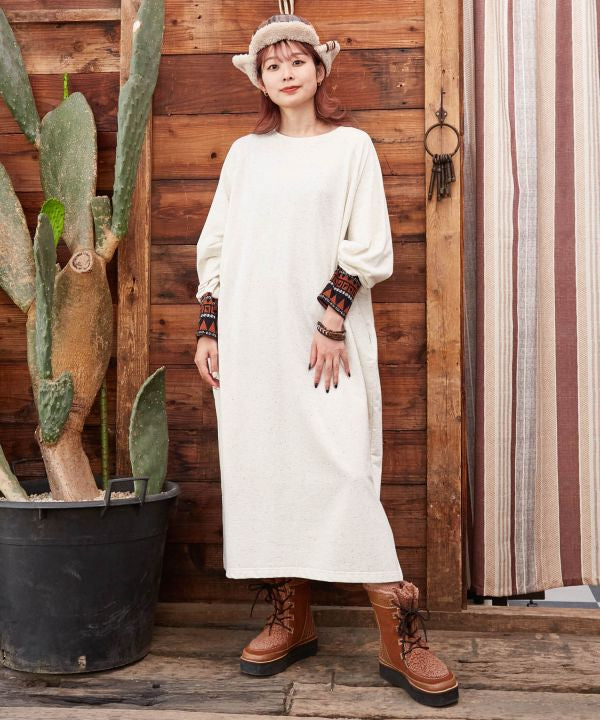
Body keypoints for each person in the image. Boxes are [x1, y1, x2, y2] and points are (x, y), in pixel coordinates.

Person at [193, 8, 459, 709]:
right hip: (250, 339)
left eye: (296, 62)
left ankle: (399, 633)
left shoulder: (351, 148)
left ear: (319, 70)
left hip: (321, 340)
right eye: (271, 65)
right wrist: (209, 329)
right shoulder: (245, 155)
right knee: (263, 467)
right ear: (260, 80)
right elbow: (216, 245)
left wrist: (332, 322)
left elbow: (368, 244)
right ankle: (293, 617)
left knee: (344, 470)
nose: (285, 74)